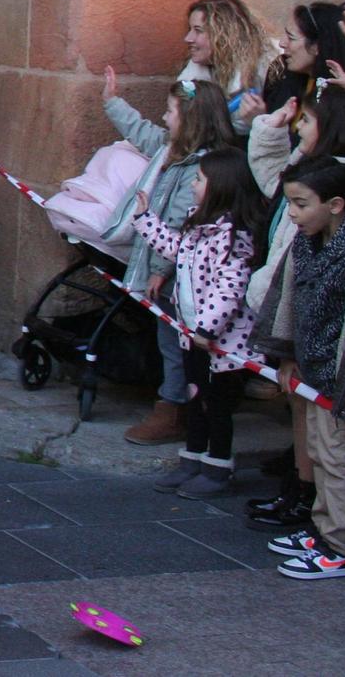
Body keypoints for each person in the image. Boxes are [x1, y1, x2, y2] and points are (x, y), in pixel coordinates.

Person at [100, 70, 237, 445]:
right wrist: (113, 101)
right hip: (173, 269)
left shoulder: (198, 167)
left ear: (190, 120)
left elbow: (179, 223)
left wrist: (160, 270)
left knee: (176, 343)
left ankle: (174, 408)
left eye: (171, 111)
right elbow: (142, 131)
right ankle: (177, 404)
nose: (164, 117)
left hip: (183, 277)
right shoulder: (171, 150)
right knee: (169, 341)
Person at [132, 147, 268, 498]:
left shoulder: (234, 236)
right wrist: (146, 220)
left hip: (221, 345)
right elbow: (176, 249)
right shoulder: (199, 228)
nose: (193, 185)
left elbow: (230, 287)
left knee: (217, 407)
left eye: (199, 179)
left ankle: (217, 466)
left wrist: (207, 328)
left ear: (220, 186)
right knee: (195, 399)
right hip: (193, 337)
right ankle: (193, 459)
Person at [243, 91, 345, 530]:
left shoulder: (332, 187)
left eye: (306, 120)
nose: (298, 127)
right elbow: (269, 173)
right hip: (306, 346)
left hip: (333, 361)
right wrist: (286, 350)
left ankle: (331, 533)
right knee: (314, 436)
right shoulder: (304, 188)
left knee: (334, 451)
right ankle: (311, 508)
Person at [184, 0, 274, 129]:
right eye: (190, 29)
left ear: (223, 34)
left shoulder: (267, 68)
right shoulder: (192, 75)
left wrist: (260, 121)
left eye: (198, 30)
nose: (188, 38)